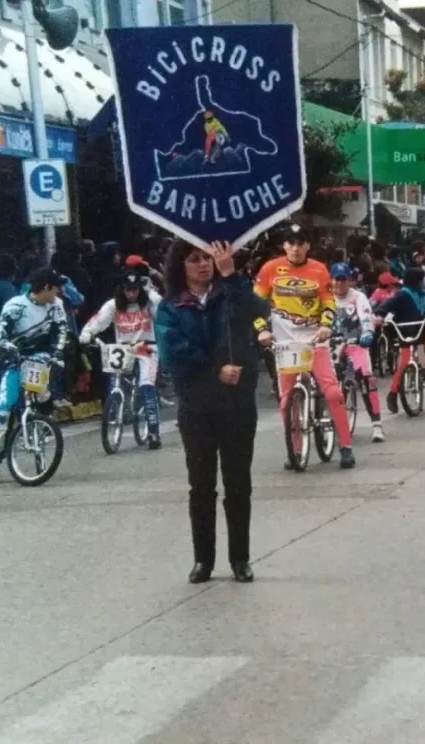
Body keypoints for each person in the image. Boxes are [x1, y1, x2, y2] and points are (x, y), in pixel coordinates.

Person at [156, 240, 271, 584]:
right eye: (194, 259)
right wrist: (215, 371)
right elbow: (173, 353)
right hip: (197, 406)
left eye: (207, 258)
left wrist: (231, 275)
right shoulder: (171, 307)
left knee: (238, 483)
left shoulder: (230, 293)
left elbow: (258, 310)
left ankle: (240, 558)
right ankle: (203, 560)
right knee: (201, 485)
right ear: (181, 266)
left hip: (237, 403)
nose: (203, 265)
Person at [254, 223, 356, 469]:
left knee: (333, 393)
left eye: (301, 243)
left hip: (315, 341)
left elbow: (328, 302)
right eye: (291, 243)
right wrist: (261, 329)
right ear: (284, 245)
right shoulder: (270, 269)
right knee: (286, 401)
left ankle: (345, 447)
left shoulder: (319, 270)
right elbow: (254, 304)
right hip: (285, 344)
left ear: (308, 246)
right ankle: (295, 450)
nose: (296, 248)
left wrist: (326, 325)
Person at [0, 268, 67, 486]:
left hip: (41, 359)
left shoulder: (56, 305)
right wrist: (7, 346)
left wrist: (58, 352)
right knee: (4, 409)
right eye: (55, 288)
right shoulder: (15, 306)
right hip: (15, 360)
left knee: (42, 396)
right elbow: (0, 333)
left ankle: (43, 420)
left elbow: (62, 330)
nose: (58, 293)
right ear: (46, 287)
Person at [79, 270, 164, 448]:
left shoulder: (149, 302)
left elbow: (163, 312)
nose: (132, 294)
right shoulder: (113, 305)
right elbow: (99, 320)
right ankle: (116, 408)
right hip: (123, 349)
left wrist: (152, 293)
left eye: (135, 289)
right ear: (122, 289)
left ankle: (154, 431)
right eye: (128, 290)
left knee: (146, 385)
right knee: (116, 382)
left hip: (146, 347)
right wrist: (87, 332)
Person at [373, 267, 425, 411]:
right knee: (404, 362)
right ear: (416, 281)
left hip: (424, 331)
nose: (423, 283)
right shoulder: (401, 295)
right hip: (405, 333)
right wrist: (380, 315)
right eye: (421, 280)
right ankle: (393, 393)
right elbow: (387, 304)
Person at [330, 262, 385, 442]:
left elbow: (366, 317)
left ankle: (376, 425)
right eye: (336, 279)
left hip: (356, 344)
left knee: (367, 379)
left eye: (343, 279)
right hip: (331, 345)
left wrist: (367, 333)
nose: (340, 283)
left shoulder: (358, 297)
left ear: (349, 280)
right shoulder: (325, 297)